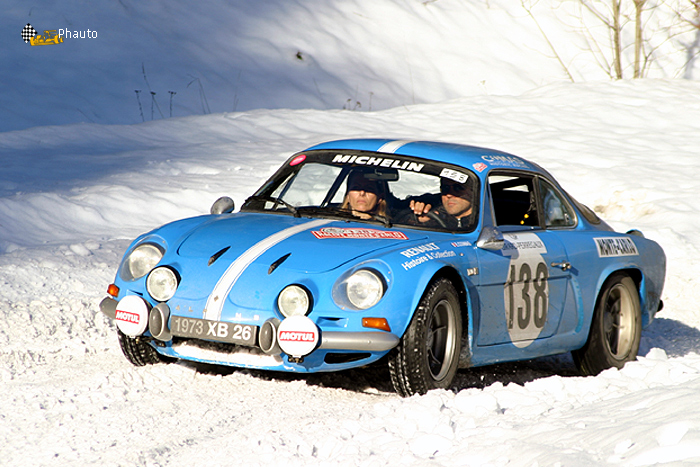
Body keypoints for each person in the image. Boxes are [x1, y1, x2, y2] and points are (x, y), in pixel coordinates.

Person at [406, 177, 475, 229]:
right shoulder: (434, 211)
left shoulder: (483, 220)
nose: (449, 194)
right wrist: (415, 219)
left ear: (473, 192)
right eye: (445, 188)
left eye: (458, 188)